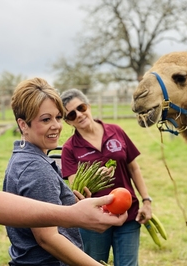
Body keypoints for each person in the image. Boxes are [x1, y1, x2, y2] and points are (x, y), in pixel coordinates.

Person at [0, 0, 127, 266]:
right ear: (23, 124)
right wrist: (75, 215)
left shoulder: (30, 158)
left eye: (58, 117)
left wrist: (70, 201)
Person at [3, 77, 106, 266]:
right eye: (45, 119)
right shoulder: (35, 168)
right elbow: (48, 238)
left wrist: (70, 208)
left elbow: (40, 215)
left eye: (58, 117)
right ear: (23, 124)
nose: (56, 126)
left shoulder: (21, 157)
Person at [60, 88, 152, 266]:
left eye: (81, 107)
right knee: (95, 263)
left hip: (128, 213)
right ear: (68, 122)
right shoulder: (69, 148)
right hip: (94, 219)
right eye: (71, 115)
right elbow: (77, 191)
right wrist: (94, 178)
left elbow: (134, 169)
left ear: (89, 106)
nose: (79, 115)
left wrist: (146, 201)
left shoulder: (116, 131)